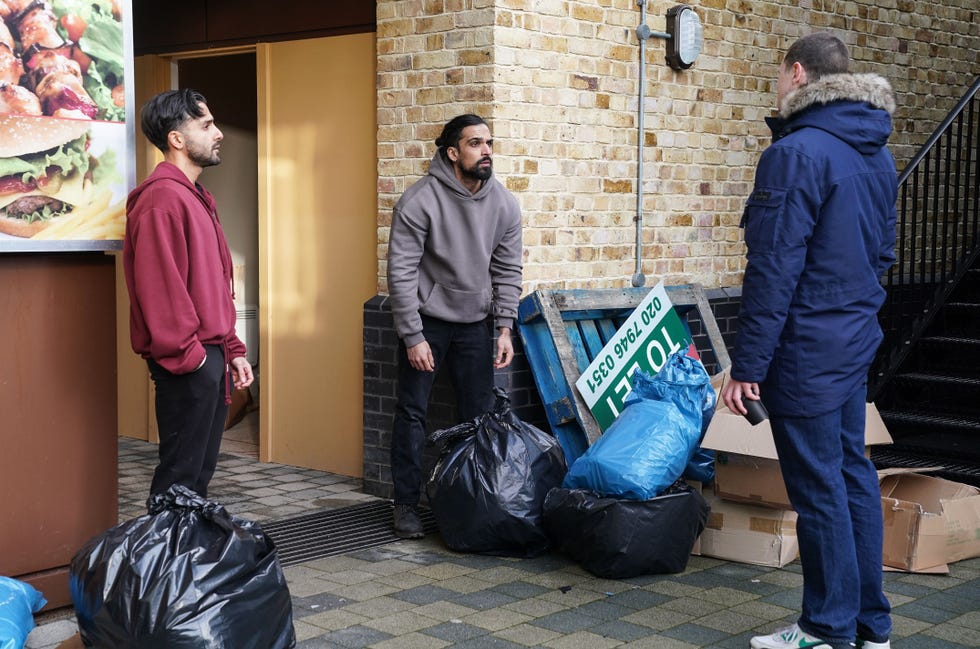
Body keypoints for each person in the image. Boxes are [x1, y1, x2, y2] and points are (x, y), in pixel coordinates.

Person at [721, 33, 896, 649]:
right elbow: (884, 254)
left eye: (777, 73)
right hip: (852, 340)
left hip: (807, 348)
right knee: (851, 477)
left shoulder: (796, 154)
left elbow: (773, 267)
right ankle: (869, 627)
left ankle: (826, 629)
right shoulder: (873, 152)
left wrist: (747, 366)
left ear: (797, 74)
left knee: (822, 488)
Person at [386, 113, 523, 539]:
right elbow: (401, 272)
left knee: (478, 416)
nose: (486, 151)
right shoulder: (419, 201)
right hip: (427, 321)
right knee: (413, 412)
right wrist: (413, 335)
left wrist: (504, 328)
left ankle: (471, 501)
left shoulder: (503, 203)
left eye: (489, 143)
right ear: (452, 153)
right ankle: (406, 504)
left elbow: (506, 269)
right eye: (475, 143)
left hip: (475, 324)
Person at [123, 89, 253, 502]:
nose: (218, 133)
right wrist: (191, 358)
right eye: (206, 125)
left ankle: (184, 556)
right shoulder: (161, 199)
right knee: (180, 475)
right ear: (176, 139)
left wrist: (230, 347)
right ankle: (161, 562)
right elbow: (160, 288)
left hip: (208, 354)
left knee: (198, 474)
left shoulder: (196, 197)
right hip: (188, 361)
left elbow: (211, 283)